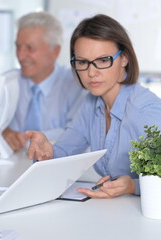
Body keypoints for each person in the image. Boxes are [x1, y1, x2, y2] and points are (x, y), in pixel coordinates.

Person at [26, 14, 161, 198]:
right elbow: (64, 152)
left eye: (103, 60)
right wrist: (47, 150)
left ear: (124, 59)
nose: (91, 72)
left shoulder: (145, 111)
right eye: (82, 62)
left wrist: (132, 186)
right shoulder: (91, 103)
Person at [0, 11, 86, 151]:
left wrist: (27, 140)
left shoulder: (75, 85)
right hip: (12, 170)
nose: (21, 56)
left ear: (55, 51)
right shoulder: (9, 81)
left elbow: (77, 135)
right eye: (18, 46)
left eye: (30, 48)